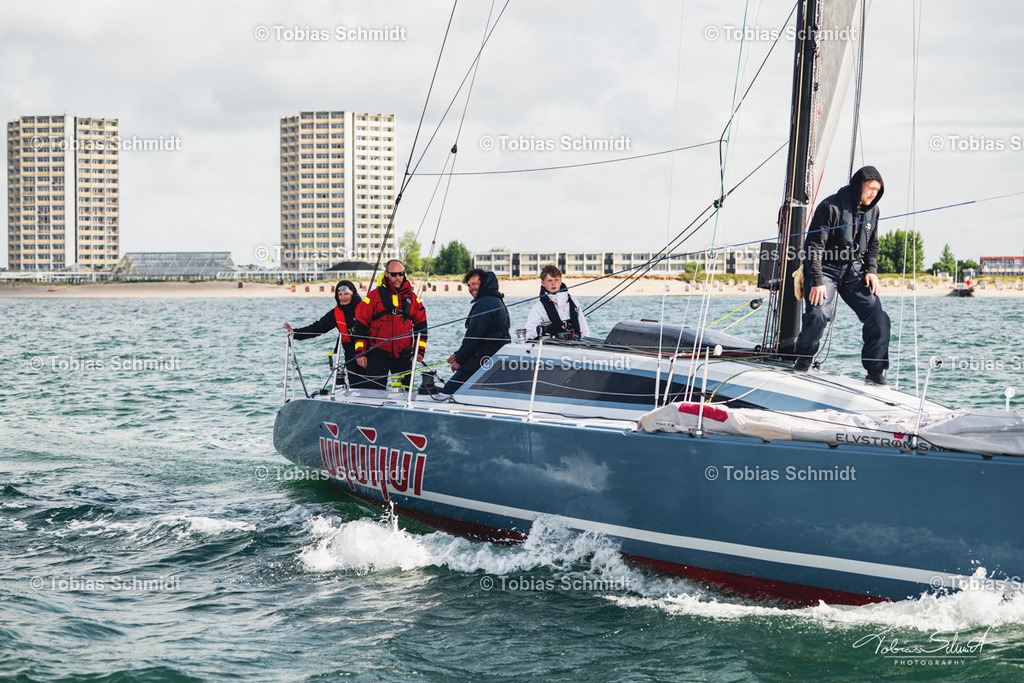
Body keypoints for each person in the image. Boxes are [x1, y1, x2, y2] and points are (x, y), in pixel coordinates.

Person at [794, 165, 891, 385]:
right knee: (818, 314)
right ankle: (803, 357)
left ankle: (875, 372)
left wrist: (872, 271)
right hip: (824, 269)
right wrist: (817, 280)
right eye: (870, 188)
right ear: (859, 186)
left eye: (877, 190)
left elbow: (873, 244)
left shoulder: (873, 211)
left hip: (853, 272)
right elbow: (813, 247)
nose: (873, 194)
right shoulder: (831, 207)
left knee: (879, 317)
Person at [351, 259, 428, 390]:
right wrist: (361, 353)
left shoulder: (414, 299)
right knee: (373, 393)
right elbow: (360, 327)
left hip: (403, 355)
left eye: (400, 274)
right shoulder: (373, 297)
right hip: (377, 353)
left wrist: (419, 351)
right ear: (386, 274)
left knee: (405, 393)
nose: (398, 278)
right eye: (394, 274)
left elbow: (422, 328)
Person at [284, 280, 370, 388]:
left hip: (369, 353)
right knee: (356, 387)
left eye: (346, 294)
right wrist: (296, 333)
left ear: (353, 294)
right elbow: (318, 327)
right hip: (351, 356)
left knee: (373, 387)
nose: (343, 297)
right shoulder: (335, 313)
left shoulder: (365, 308)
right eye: (340, 294)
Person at [443, 269, 511, 394]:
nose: (471, 288)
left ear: (484, 283)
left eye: (474, 284)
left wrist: (459, 361)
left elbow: (473, 337)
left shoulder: (484, 303)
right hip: (493, 358)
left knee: (449, 389)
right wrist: (458, 354)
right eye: (469, 285)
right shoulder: (497, 300)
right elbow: (484, 335)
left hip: (482, 360)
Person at [525, 265, 591, 340]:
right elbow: (528, 334)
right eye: (549, 280)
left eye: (556, 280)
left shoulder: (573, 300)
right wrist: (540, 330)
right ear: (542, 283)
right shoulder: (538, 307)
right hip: (552, 347)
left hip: (576, 344)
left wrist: (585, 342)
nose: (553, 283)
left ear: (560, 282)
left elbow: (584, 328)